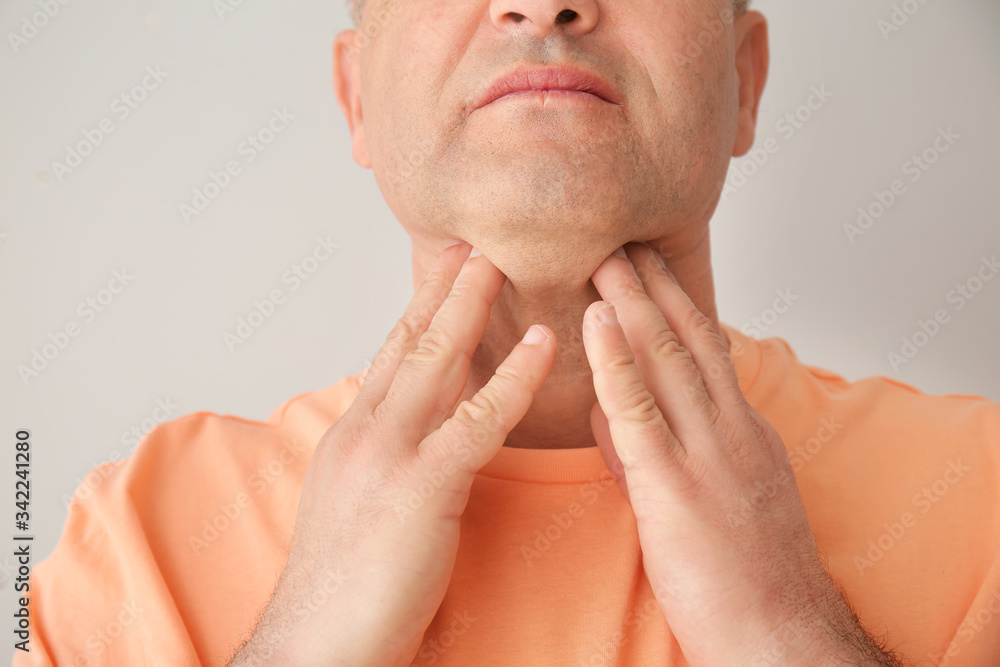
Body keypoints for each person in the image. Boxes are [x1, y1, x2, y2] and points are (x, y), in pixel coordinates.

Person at [18, 1, 1000, 665]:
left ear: (745, 79)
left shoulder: (984, 508)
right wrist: (303, 641)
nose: (545, 2)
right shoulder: (141, 535)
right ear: (356, 96)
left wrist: (784, 629)